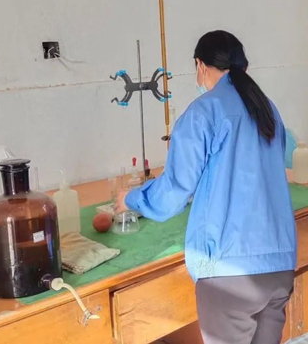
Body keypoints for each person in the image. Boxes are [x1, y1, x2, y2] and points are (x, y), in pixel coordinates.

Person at [115, 30, 297, 344]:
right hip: (279, 266)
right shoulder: (267, 109)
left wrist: (131, 199)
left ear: (200, 65)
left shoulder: (203, 112)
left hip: (229, 272)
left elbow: (174, 192)